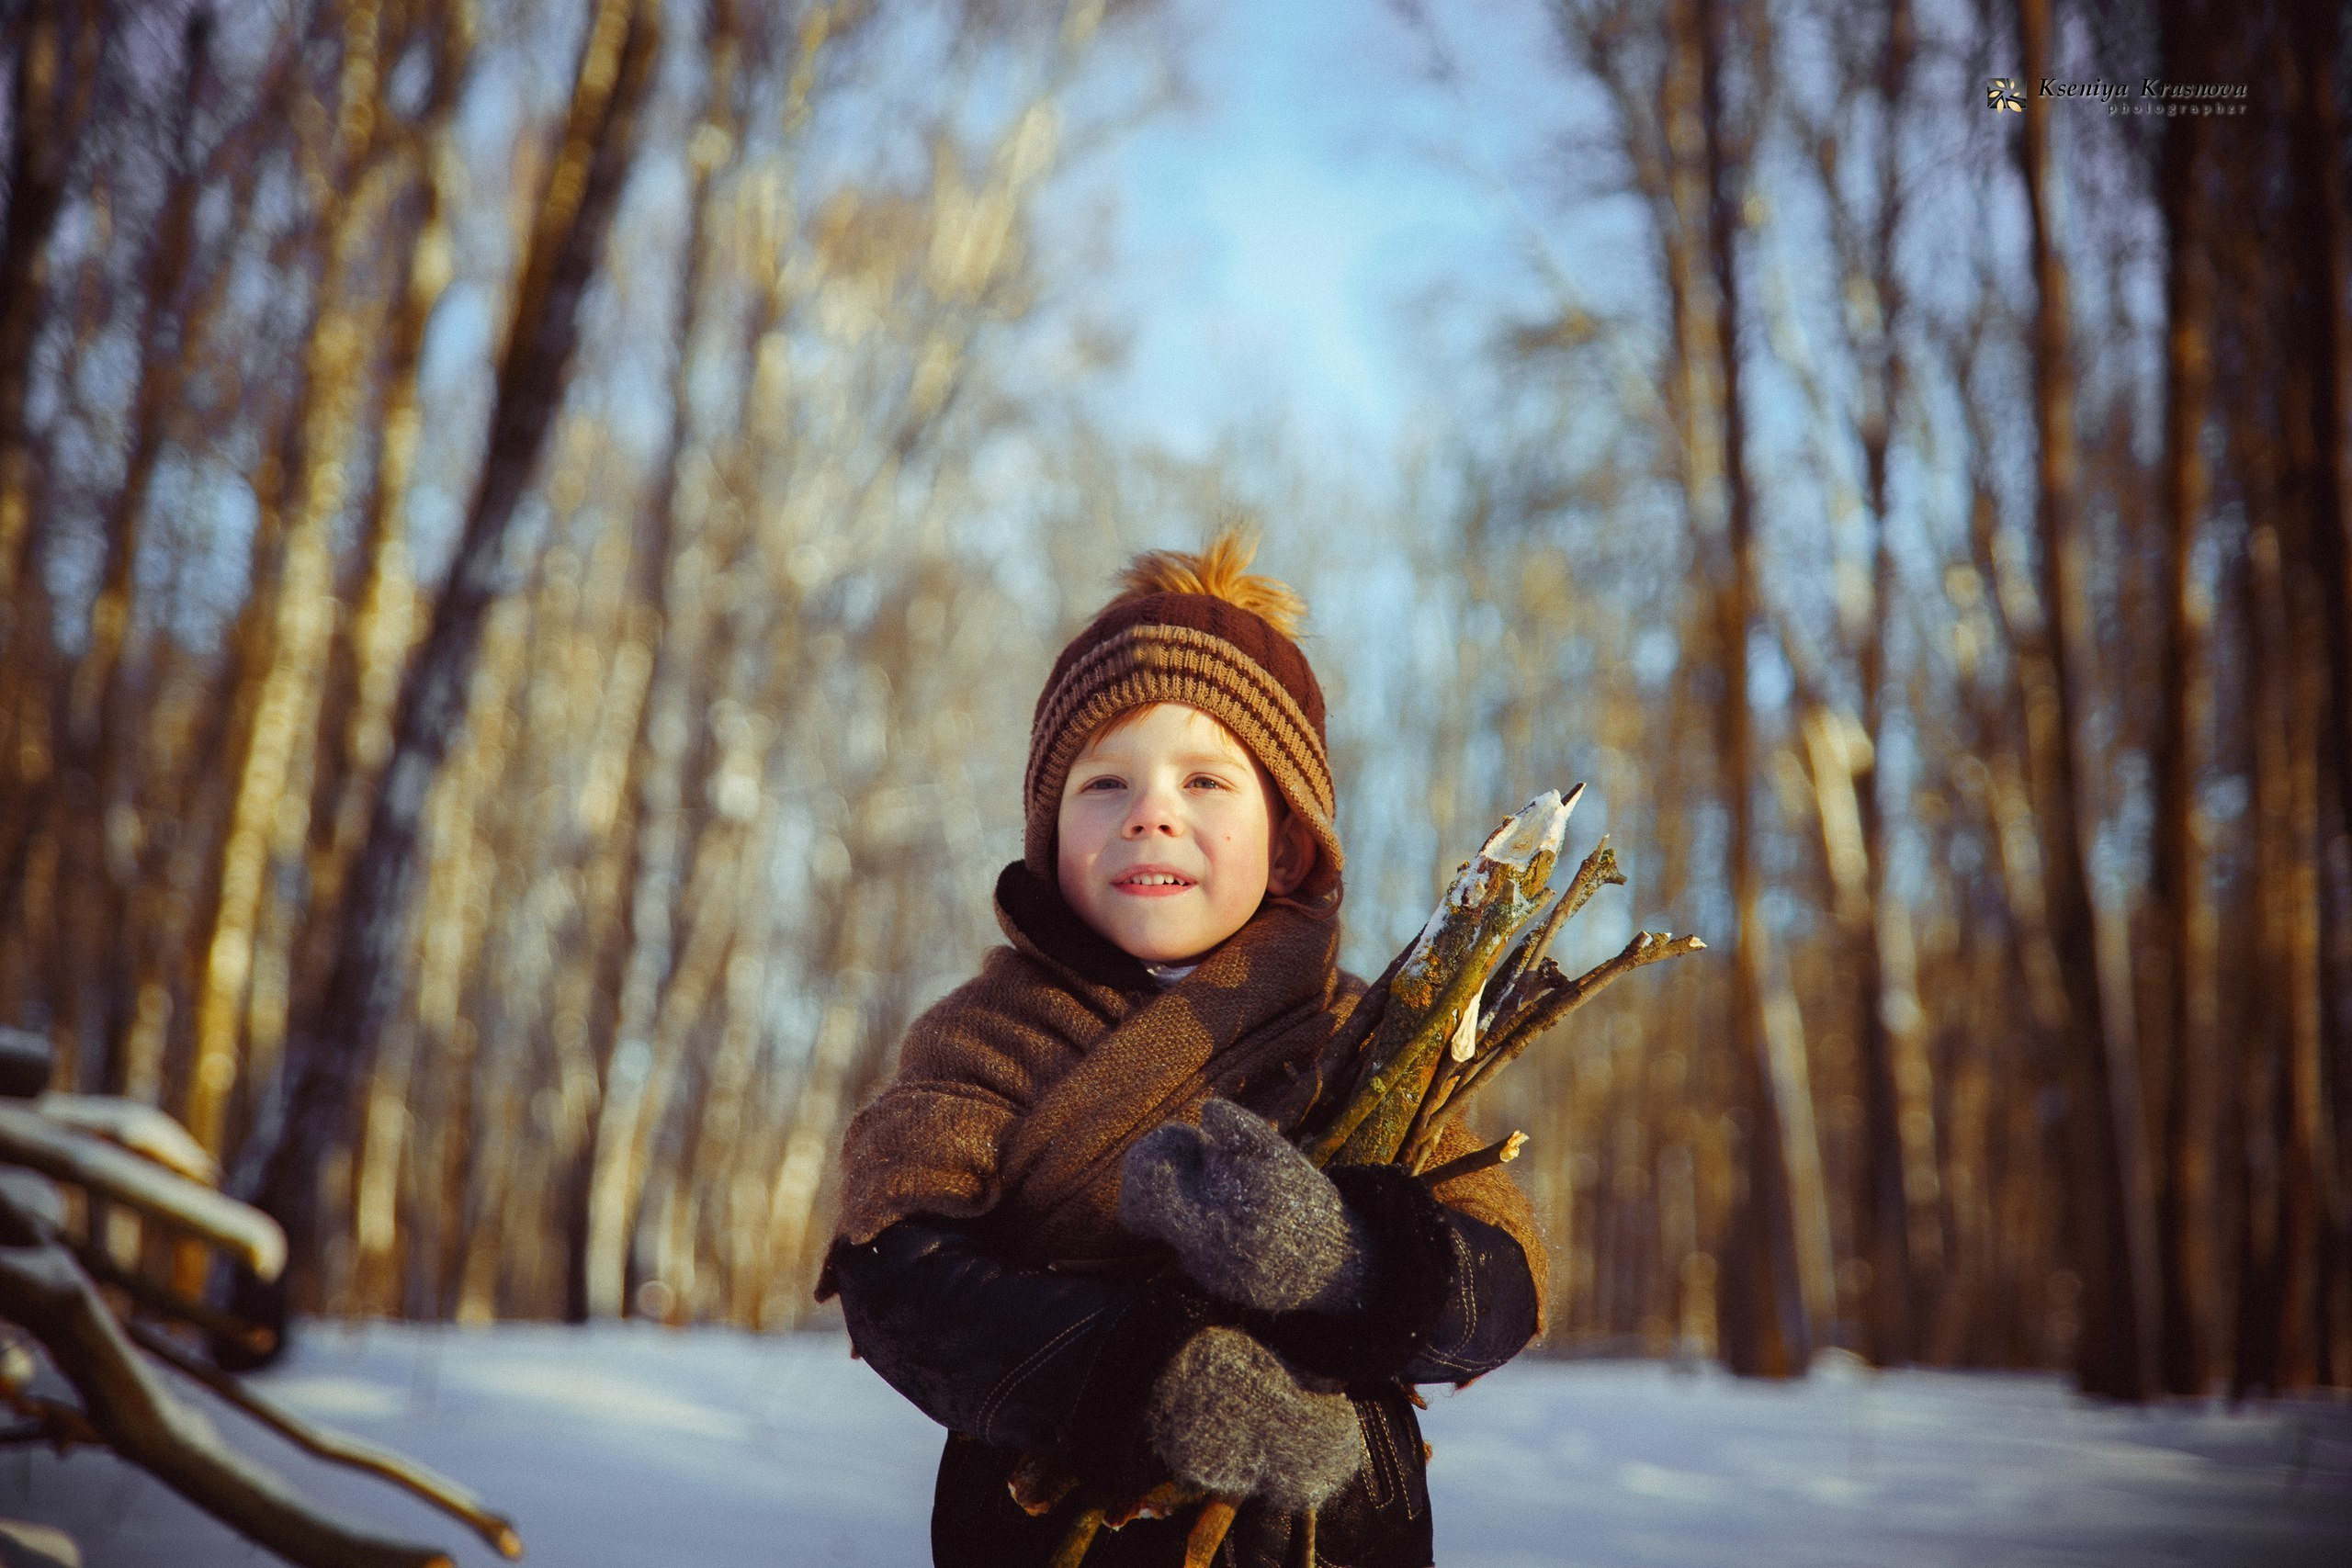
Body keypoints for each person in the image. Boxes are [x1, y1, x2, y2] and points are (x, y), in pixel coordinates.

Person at [820, 534, 1546, 1568]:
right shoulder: (983, 1035)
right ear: (1050, 836)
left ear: (1289, 841)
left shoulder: (1367, 1041)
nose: (1150, 811)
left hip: (1324, 1534)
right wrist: (1138, 1377)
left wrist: (1351, 1259)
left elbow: (1500, 1288)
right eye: (1103, 786)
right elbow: (898, 1274)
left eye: (1205, 782)